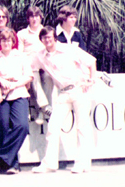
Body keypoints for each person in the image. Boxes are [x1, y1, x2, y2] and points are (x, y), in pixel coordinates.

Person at [31, 26, 96, 174]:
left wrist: (91, 81)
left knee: (82, 128)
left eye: (49, 37)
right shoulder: (39, 56)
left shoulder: (69, 49)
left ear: (54, 37)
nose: (47, 40)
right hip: (63, 93)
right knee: (53, 127)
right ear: (41, 40)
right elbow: (30, 67)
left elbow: (91, 61)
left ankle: (81, 163)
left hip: (79, 89)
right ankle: (49, 163)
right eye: (44, 38)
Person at [0, 29, 33, 174]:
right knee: (2, 125)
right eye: (3, 40)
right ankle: (11, 164)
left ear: (13, 42)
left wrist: (14, 85)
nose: (6, 43)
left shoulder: (21, 56)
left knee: (22, 126)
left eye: (8, 40)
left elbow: (28, 76)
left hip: (18, 91)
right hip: (2, 93)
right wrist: (2, 81)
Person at [18, 6, 52, 124]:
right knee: (34, 75)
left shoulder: (46, 32)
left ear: (41, 17)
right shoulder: (22, 34)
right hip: (30, 65)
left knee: (48, 76)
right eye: (32, 16)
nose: (34, 19)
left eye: (37, 16)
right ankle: (44, 107)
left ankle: (44, 110)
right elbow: (20, 53)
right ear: (28, 19)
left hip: (45, 63)